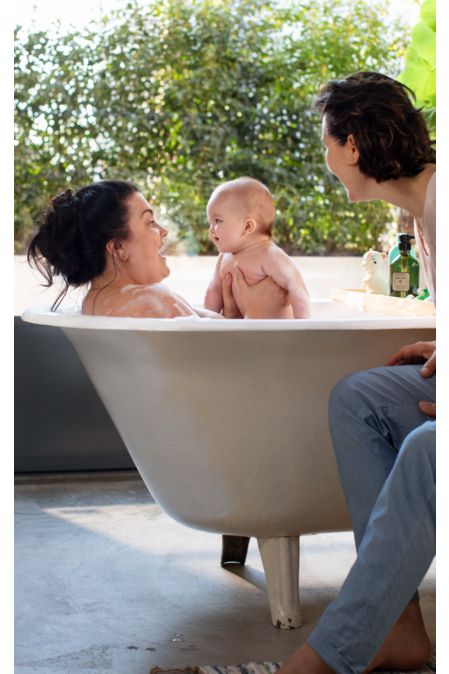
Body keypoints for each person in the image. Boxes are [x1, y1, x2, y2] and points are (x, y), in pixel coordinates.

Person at [230, 72, 435, 673]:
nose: (326, 160)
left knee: (427, 447)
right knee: (360, 397)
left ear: (352, 144)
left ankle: (332, 654)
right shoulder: (422, 216)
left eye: (326, 144)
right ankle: (396, 629)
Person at [27, 180, 286, 319]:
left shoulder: (94, 304)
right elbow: (237, 365)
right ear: (118, 247)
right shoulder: (153, 302)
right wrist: (257, 316)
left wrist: (230, 315)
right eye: (149, 222)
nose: (163, 231)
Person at [204, 177, 310, 318]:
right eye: (210, 222)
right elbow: (214, 289)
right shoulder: (224, 257)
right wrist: (205, 322)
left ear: (247, 226)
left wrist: (302, 326)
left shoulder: (269, 255)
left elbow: (297, 287)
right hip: (242, 332)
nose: (211, 229)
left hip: (277, 332)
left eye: (217, 221)